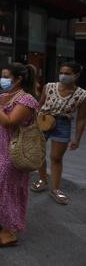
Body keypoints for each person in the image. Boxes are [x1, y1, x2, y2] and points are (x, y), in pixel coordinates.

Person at [0, 63, 39, 247]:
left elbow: (8, 122)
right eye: (1, 76)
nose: (2, 80)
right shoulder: (4, 96)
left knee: (5, 186)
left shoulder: (26, 101)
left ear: (18, 79)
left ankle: (10, 231)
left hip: (13, 153)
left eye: (6, 77)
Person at [30, 62, 86, 204]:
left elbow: (81, 118)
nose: (63, 76)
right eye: (61, 72)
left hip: (63, 124)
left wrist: (77, 139)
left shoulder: (82, 94)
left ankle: (55, 189)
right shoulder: (49, 87)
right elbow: (39, 105)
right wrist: (32, 123)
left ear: (76, 75)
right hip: (43, 120)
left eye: (67, 73)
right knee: (39, 153)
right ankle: (43, 180)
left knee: (56, 157)